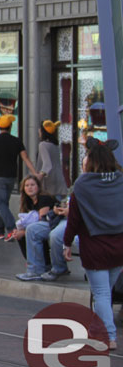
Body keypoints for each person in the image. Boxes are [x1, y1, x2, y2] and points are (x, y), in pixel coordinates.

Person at [63, 138, 123, 350]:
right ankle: (97, 330)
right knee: (105, 291)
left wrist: (67, 243)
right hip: (119, 246)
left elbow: (74, 219)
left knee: (102, 294)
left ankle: (109, 335)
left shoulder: (82, 184)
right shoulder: (121, 180)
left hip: (94, 246)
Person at [0, 114, 40, 240]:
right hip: (11, 177)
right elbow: (25, 158)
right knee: (3, 203)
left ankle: (12, 228)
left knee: (1, 204)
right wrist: (35, 173)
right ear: (10, 126)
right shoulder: (16, 141)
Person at [10, 175, 57, 280]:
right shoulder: (27, 201)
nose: (29, 188)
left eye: (32, 185)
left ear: (38, 187)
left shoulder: (44, 198)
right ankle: (35, 264)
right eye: (27, 185)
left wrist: (23, 232)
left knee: (31, 232)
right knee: (20, 234)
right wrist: (19, 231)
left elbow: (42, 221)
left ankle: (37, 267)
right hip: (39, 227)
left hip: (52, 225)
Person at [35, 119, 67, 198]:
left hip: (49, 183)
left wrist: (39, 177)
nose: (38, 130)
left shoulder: (43, 145)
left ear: (43, 131)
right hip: (59, 181)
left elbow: (47, 164)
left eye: (40, 128)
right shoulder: (55, 145)